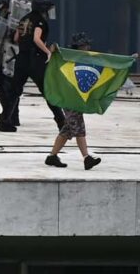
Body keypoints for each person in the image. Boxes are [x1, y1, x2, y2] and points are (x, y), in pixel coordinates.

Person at [42, 27, 104, 170]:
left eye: (87, 45)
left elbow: (108, 62)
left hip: (77, 99)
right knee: (79, 128)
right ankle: (87, 158)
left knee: (67, 130)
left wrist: (128, 59)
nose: (87, 47)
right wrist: (53, 49)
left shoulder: (88, 60)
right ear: (78, 47)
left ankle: (52, 157)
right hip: (68, 99)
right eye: (84, 45)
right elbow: (52, 54)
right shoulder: (67, 58)